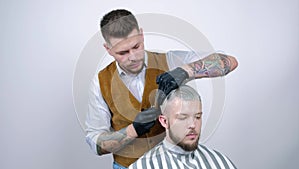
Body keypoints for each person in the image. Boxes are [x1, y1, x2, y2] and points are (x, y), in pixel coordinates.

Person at [85, 9, 238, 168]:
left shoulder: (170, 61)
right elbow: (95, 142)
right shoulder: (100, 82)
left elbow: (229, 62)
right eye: (122, 52)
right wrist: (133, 130)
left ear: (142, 35)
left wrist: (185, 71)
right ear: (108, 49)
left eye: (136, 46)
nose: (133, 57)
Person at [129, 85, 237, 169]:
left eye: (197, 117)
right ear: (164, 121)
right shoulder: (144, 166)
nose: (193, 125)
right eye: (182, 118)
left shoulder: (219, 161)